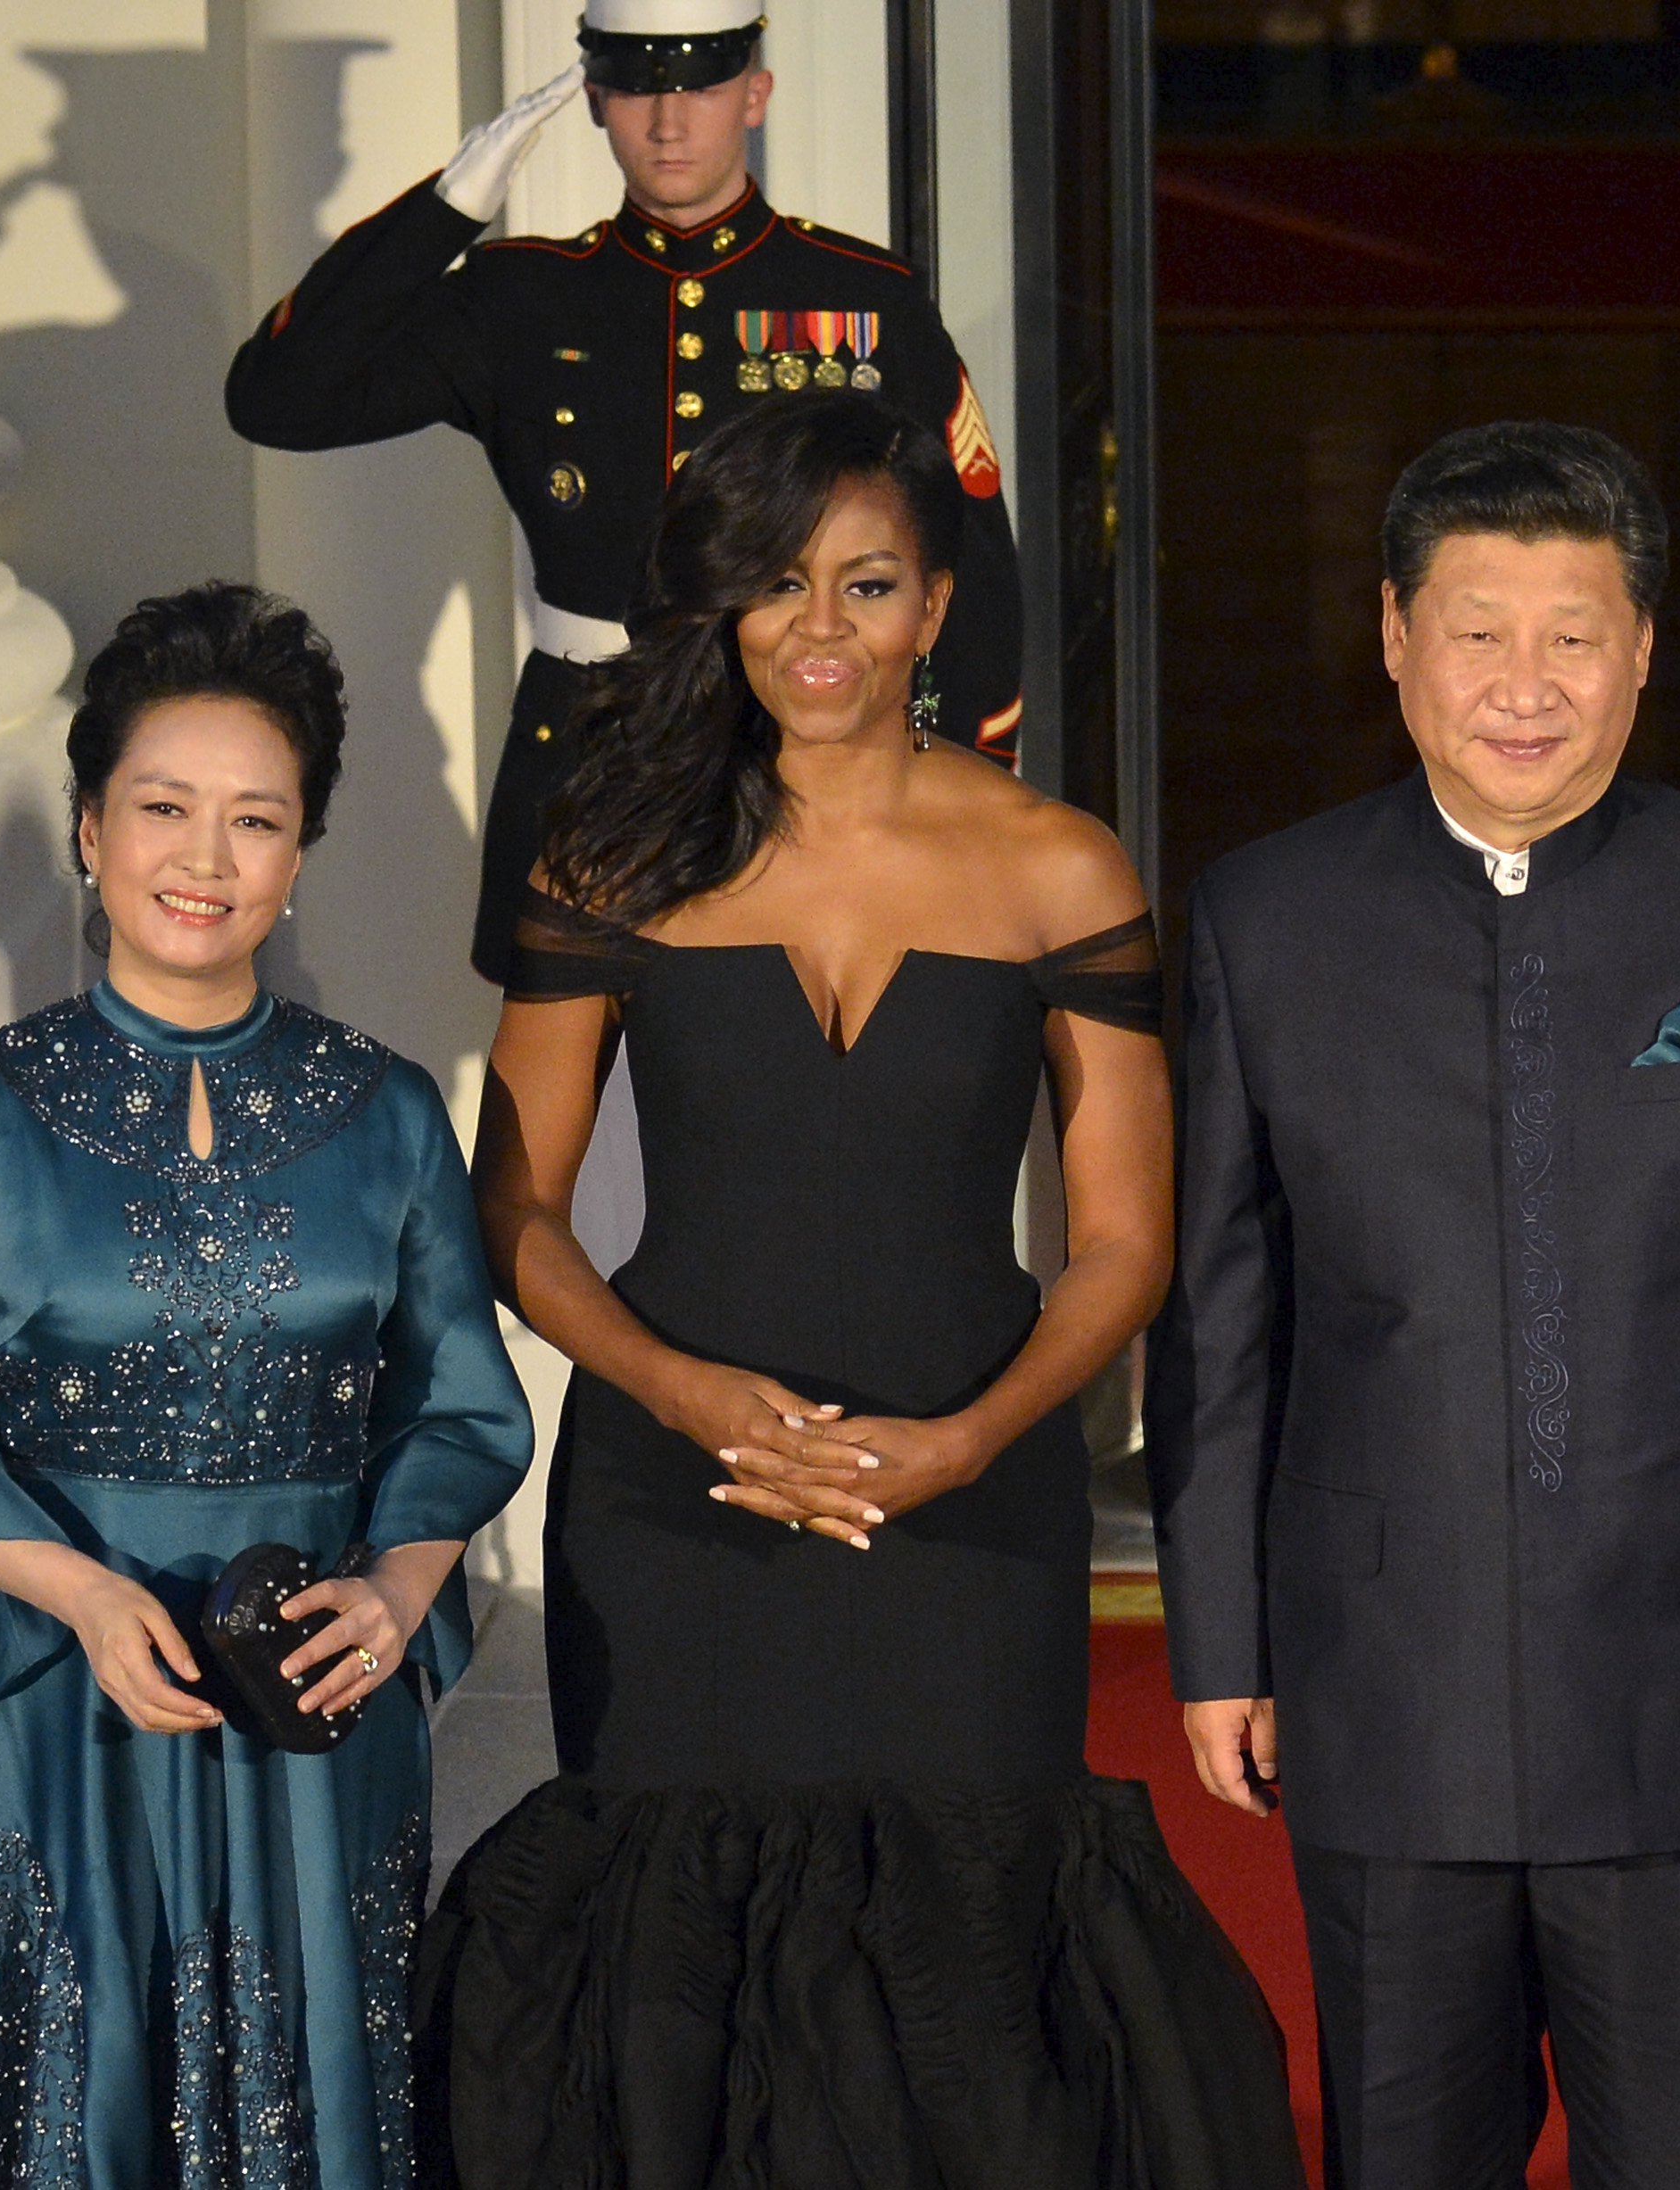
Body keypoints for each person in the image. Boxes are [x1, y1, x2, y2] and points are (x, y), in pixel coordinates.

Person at [413, 390, 1297, 2186]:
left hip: (971, 1500)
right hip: (675, 1502)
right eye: (776, 584)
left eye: (868, 583)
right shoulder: (613, 851)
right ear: (720, 607)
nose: (821, 631)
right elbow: (512, 1204)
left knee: (966, 1943)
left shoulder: (1059, 866)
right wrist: (683, 1396)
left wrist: (971, 1439)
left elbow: (1125, 1246)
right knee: (674, 1939)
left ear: (936, 604)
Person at [1147, 421, 1680, 2190]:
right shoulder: (1264, 920)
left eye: (1573, 636)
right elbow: (1218, 1310)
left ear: (1644, 648)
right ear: (1392, 636)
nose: (1526, 686)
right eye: (1478, 631)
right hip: (1383, 1680)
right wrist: (1220, 1639)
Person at [0, 582, 534, 2183]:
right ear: (90, 830)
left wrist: (397, 1590)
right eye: (163, 809)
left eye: (255, 821)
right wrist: (78, 1597)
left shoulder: (385, 1111)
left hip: (316, 1687)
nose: (204, 861)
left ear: (300, 857)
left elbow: (464, 1405)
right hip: (55, 1678)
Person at [225, 0, 1025, 988]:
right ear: (597, 101)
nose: (669, 121)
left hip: (793, 750)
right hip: (583, 746)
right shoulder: (521, 298)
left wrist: (959, 790)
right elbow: (278, 398)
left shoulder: (864, 296)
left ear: (756, 94)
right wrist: (447, 206)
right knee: (567, 1087)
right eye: (639, 89)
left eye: (701, 86)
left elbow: (969, 563)